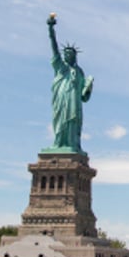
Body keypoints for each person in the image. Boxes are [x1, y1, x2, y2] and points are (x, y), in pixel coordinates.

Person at [46, 13, 93, 153]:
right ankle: (58, 144)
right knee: (60, 121)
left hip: (74, 103)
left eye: (70, 54)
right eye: (65, 53)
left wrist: (89, 87)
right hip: (61, 99)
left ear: (74, 56)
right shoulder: (60, 67)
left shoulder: (79, 72)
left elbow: (84, 97)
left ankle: (73, 144)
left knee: (73, 122)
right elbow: (54, 47)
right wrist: (51, 29)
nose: (67, 55)